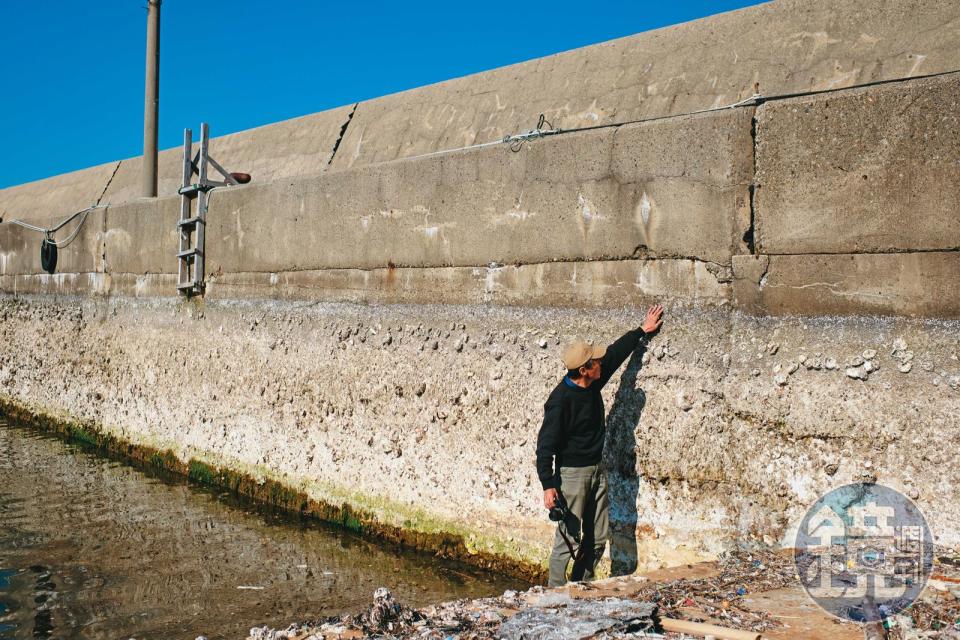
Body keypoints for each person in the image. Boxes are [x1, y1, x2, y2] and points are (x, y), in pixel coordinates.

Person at [535, 304, 664, 586]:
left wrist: (642, 330)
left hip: (597, 470)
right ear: (584, 369)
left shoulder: (591, 381)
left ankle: (582, 586)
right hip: (572, 476)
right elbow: (545, 446)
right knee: (567, 539)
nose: (600, 364)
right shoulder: (560, 402)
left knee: (598, 536)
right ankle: (554, 596)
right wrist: (548, 484)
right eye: (595, 362)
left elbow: (616, 354)